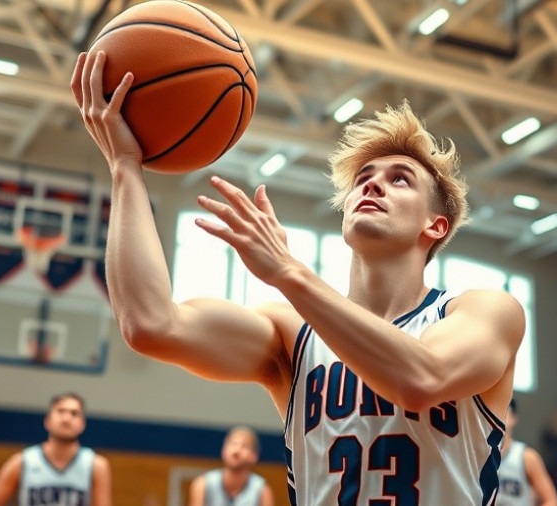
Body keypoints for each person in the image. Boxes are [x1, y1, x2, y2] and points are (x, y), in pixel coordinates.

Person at [71, 51, 525, 505]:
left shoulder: (485, 310)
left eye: (399, 179)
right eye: (363, 178)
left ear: (435, 225)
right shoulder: (292, 334)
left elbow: (421, 379)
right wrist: (125, 168)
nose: (371, 185)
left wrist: (289, 272)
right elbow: (151, 324)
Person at [0, 392, 111, 506]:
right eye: (60, 411)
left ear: (82, 424)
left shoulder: (96, 465)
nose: (66, 418)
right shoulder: (21, 462)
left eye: (74, 413)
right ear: (47, 421)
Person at [189, 427, 274, 506]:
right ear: (223, 450)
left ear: (254, 456)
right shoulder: (202, 485)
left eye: (244, 446)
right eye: (232, 444)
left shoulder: (262, 490)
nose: (236, 450)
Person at [497, 399, 557, 506]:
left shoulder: (527, 457)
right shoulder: (477, 456)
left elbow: (552, 501)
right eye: (495, 412)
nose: (498, 417)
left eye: (504, 411)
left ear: (514, 417)